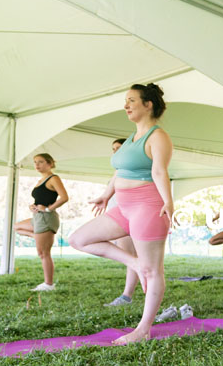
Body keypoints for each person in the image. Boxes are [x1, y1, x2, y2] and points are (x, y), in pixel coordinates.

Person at [69, 83, 173, 345]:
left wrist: (169, 203)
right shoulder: (131, 137)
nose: (126, 106)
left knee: (152, 270)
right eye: (125, 101)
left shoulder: (157, 136)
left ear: (148, 104)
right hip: (123, 208)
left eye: (131, 101)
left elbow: (159, 171)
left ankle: (143, 329)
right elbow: (119, 171)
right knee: (79, 240)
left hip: (147, 207)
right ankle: (133, 263)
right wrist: (107, 194)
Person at [13, 153, 69, 291]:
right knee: (17, 227)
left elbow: (64, 197)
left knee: (43, 253)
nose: (37, 165)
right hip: (37, 217)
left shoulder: (53, 178)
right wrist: (32, 206)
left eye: (41, 162)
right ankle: (37, 236)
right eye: (35, 162)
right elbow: (40, 199)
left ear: (50, 163)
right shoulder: (41, 180)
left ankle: (48, 285)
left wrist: (49, 209)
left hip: (46, 218)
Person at [103, 138, 140, 306]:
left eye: (119, 148)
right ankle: (128, 294)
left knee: (132, 257)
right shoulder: (118, 171)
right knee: (130, 257)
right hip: (117, 217)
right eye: (113, 149)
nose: (115, 152)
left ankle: (126, 296)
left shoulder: (133, 169)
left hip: (130, 217)